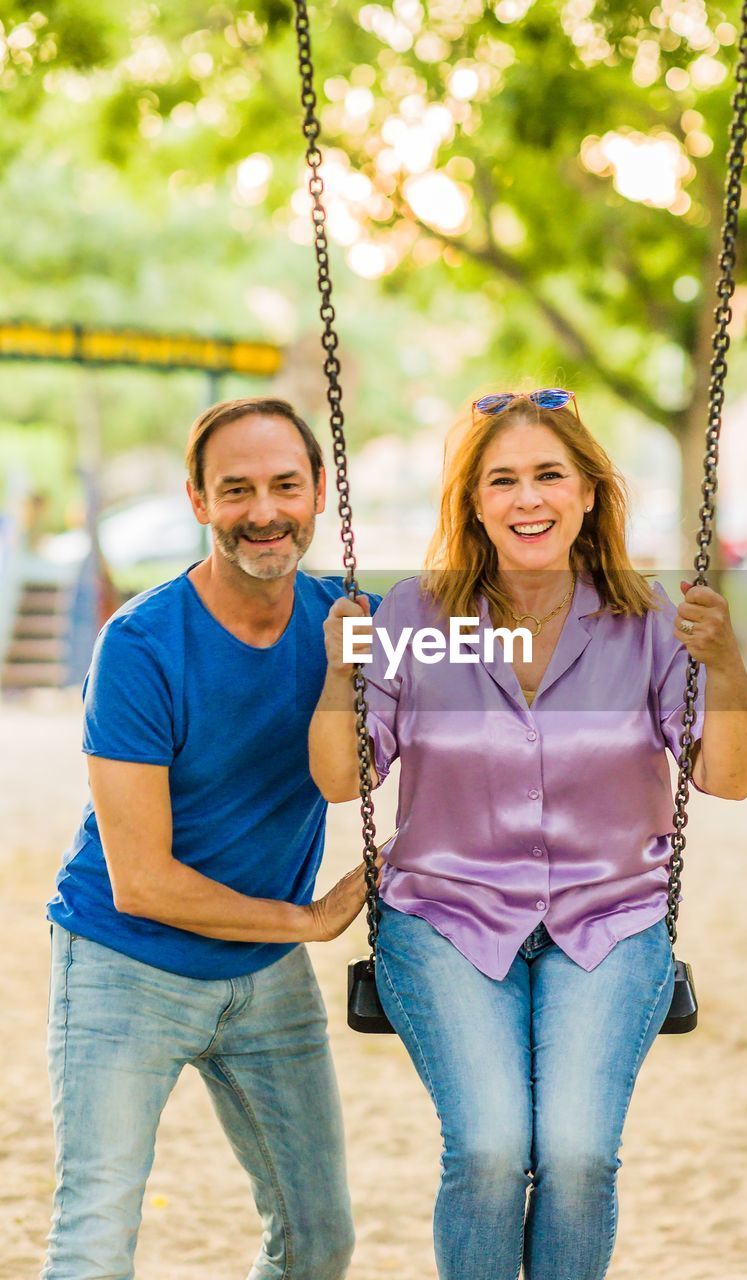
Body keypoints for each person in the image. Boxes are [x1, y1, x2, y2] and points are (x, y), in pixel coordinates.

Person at [309, 389, 747, 1280]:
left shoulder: (649, 623)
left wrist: (728, 661)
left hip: (608, 920)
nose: (528, 500)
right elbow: (341, 778)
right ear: (472, 503)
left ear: (588, 490)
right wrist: (337, 672)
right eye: (502, 480)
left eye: (549, 475)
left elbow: (727, 777)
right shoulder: (413, 618)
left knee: (577, 1157)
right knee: (486, 1149)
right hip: (445, 919)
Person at [43, 397, 379, 1280]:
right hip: (127, 963)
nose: (263, 511)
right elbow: (141, 882)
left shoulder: (356, 623)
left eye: (284, 485)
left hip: (262, 975)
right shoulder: (141, 646)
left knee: (319, 1241)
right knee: (95, 1237)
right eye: (236, 490)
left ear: (316, 495)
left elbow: (504, 655)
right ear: (197, 500)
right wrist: (304, 922)